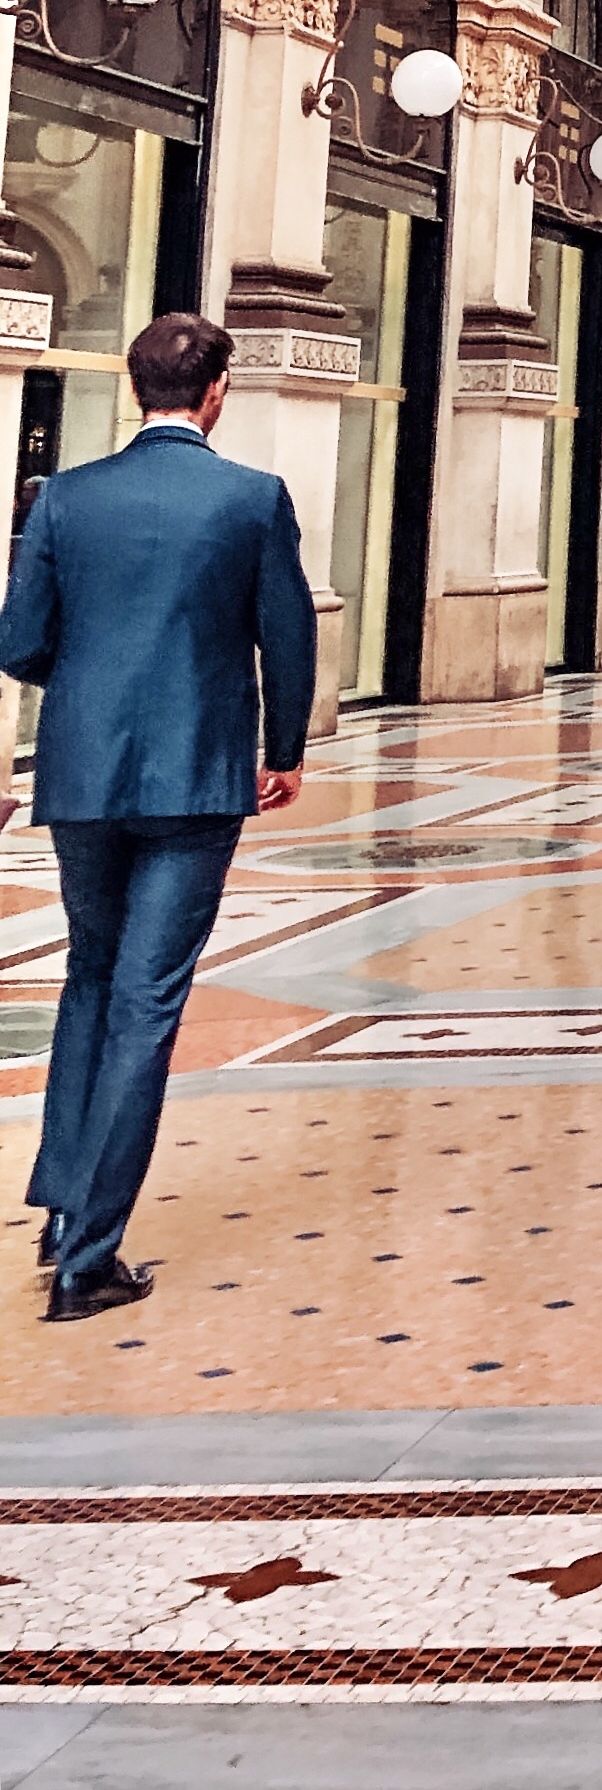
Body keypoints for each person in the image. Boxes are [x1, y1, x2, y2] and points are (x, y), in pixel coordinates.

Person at [0, 313, 314, 1317]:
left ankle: (62, 1205)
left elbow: (19, 641)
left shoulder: (66, 495)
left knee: (90, 976)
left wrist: (90, 689)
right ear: (215, 390)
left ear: (139, 388)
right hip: (195, 773)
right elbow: (287, 633)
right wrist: (285, 748)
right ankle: (89, 1255)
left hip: (84, 775)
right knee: (148, 998)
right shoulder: (251, 497)